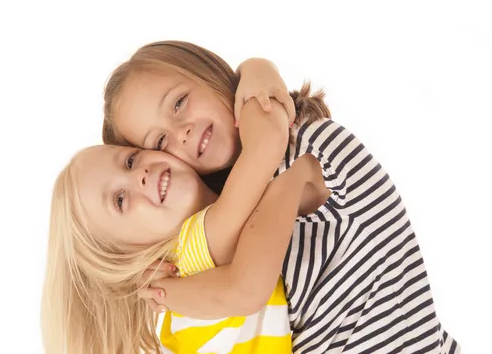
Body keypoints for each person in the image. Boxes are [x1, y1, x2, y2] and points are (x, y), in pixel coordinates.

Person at [101, 40, 460, 353]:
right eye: (159, 142)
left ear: (210, 74)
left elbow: (244, 289)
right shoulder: (234, 205)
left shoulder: (306, 150)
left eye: (179, 103)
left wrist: (166, 293)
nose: (182, 133)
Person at [41, 106, 326, 353]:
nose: (138, 176)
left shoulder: (181, 293)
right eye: (120, 200)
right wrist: (255, 71)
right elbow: (266, 146)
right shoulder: (193, 253)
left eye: (130, 161)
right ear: (128, 254)